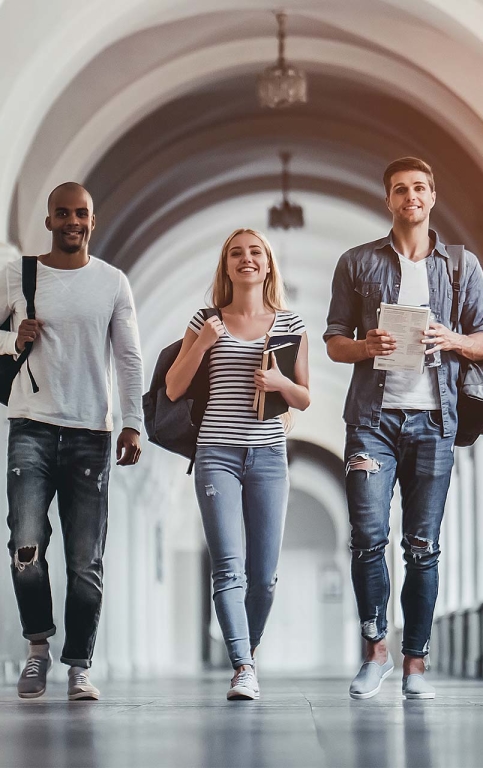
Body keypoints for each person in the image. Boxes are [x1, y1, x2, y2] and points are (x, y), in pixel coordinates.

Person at [324, 157, 483, 700]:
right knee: (368, 540)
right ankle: (376, 652)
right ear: (389, 201)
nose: (411, 197)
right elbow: (333, 341)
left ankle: (415, 665)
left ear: (432, 196)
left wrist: (454, 340)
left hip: (434, 420)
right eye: (401, 189)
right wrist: (365, 345)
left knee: (423, 546)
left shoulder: (461, 267)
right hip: (371, 422)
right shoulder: (357, 263)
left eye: (420, 187)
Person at [0, 182, 143, 701]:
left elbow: (129, 358)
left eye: (80, 213)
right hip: (31, 429)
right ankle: (37, 650)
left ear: (92, 219)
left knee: (86, 559)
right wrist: (10, 338)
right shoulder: (20, 275)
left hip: (92, 432)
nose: (72, 221)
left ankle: (80, 666)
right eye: (62, 213)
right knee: (26, 545)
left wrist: (133, 422)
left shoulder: (112, 282)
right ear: (48, 221)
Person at [165, 228, 310, 700]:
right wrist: (204, 343)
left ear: (268, 264)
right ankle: (243, 666)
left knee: (263, 577)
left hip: (269, 456)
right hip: (216, 455)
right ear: (226, 266)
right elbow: (172, 387)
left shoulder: (291, 325)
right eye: (236, 253)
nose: (246, 259)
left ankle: (248, 649)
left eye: (255, 252)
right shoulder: (205, 320)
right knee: (229, 568)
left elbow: (304, 399)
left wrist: (277, 383)